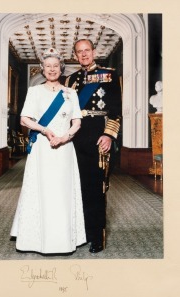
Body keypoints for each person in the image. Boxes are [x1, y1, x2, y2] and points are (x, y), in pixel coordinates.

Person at [10, 48, 86, 254]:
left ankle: (64, 238)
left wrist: (64, 137)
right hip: (43, 147)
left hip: (65, 147)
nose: (52, 69)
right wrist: (45, 131)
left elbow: (77, 121)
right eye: (48, 66)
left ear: (60, 69)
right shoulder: (35, 91)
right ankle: (35, 239)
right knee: (43, 188)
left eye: (55, 66)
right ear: (42, 69)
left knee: (62, 189)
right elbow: (24, 119)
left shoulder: (71, 93)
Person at [65, 39, 122, 253]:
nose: (84, 55)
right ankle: (81, 232)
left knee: (96, 189)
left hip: (99, 136)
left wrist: (109, 135)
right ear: (76, 55)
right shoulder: (71, 79)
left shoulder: (109, 75)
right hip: (75, 137)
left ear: (94, 51)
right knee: (76, 187)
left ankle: (97, 235)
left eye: (87, 50)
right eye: (79, 52)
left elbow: (116, 109)